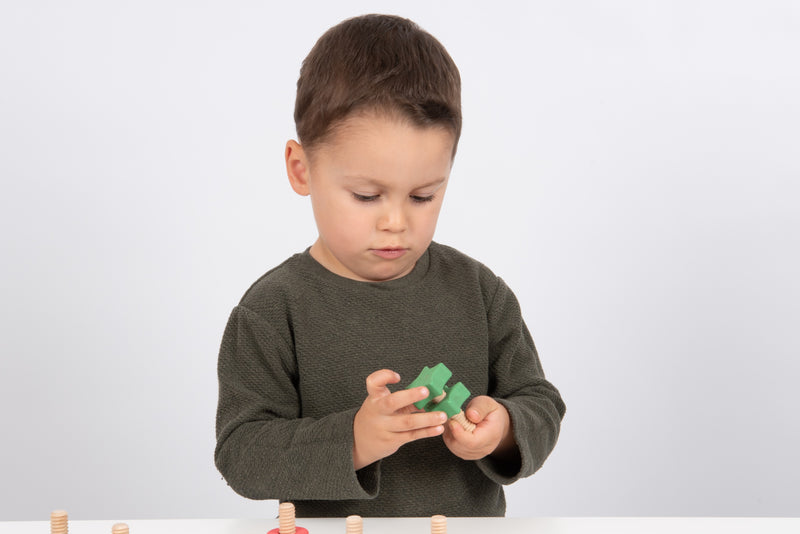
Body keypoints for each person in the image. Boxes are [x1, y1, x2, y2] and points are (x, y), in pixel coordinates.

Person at [214, 13, 566, 518]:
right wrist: (354, 440)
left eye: (423, 196)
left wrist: (505, 427)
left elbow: (540, 401)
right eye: (366, 195)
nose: (396, 222)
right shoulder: (272, 310)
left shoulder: (480, 292)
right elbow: (240, 453)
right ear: (301, 168)